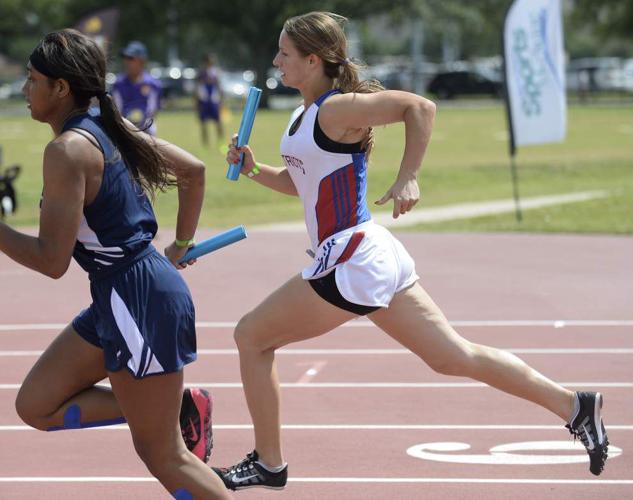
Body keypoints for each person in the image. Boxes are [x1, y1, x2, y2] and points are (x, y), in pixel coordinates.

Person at [212, 11, 610, 491]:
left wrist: (409, 175)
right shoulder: (303, 116)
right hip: (369, 255)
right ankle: (574, 406)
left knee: (251, 337)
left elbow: (420, 108)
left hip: (352, 258)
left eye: (285, 53)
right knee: (453, 356)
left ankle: (269, 463)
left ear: (313, 60)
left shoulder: (337, 109)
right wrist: (255, 169)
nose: (275, 60)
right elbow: (303, 185)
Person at [2, 29, 230, 499]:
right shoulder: (108, 125)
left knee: (163, 454)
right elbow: (193, 170)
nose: (25, 90)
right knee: (37, 405)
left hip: (137, 300)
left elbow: (52, 262)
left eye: (31, 80)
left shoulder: (67, 151)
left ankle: (166, 416)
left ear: (60, 88)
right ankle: (177, 407)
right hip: (121, 294)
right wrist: (180, 244)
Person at [112, 40, 161, 135]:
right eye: (125, 58)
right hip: (124, 130)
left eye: (131, 58)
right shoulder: (118, 84)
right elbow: (116, 109)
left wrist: (143, 127)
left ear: (142, 61)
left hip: (147, 131)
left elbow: (153, 110)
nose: (127, 62)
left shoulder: (153, 84)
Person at [195, 53, 224, 148]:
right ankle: (205, 144)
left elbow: (219, 87)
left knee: (218, 122)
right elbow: (197, 88)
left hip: (214, 101)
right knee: (203, 124)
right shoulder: (201, 73)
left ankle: (221, 143)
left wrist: (221, 100)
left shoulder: (216, 72)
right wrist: (196, 102)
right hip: (204, 101)